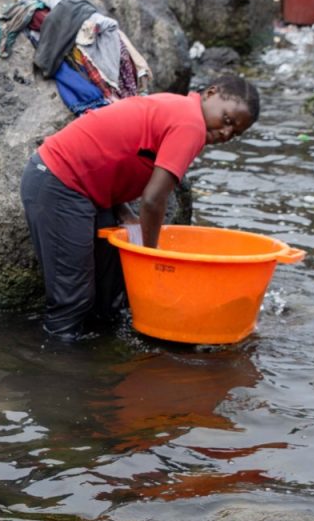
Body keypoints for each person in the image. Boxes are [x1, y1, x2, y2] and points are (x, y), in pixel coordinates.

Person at [20, 77, 261, 340]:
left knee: (109, 292)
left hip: (86, 191)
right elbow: (153, 200)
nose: (226, 133)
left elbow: (114, 155)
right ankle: (58, 368)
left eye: (235, 133)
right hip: (58, 182)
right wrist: (152, 256)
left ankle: (99, 360)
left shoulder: (181, 110)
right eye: (227, 120)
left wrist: (125, 214)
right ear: (210, 93)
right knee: (72, 299)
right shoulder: (191, 123)